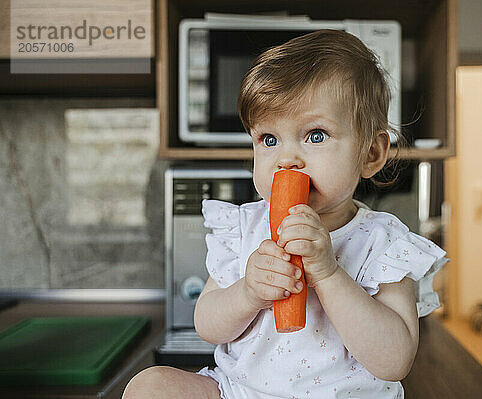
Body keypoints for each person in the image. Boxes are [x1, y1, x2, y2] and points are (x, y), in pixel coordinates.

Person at [123, 29, 448, 399]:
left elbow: (394, 361)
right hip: (240, 392)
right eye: (269, 139)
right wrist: (248, 292)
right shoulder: (244, 228)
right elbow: (207, 325)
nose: (286, 159)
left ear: (371, 153)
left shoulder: (384, 243)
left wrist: (328, 272)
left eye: (315, 135)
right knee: (148, 386)